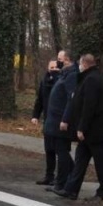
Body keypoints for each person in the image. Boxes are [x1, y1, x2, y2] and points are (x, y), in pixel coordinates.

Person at [56, 55, 103, 200]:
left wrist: (82, 128)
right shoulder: (91, 77)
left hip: (95, 130)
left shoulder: (92, 79)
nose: (79, 66)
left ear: (85, 64)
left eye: (80, 64)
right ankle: (71, 189)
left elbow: (89, 106)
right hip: (91, 129)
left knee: (100, 161)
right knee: (81, 159)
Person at [44, 52, 79, 192]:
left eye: (60, 60)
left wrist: (65, 119)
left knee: (62, 152)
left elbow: (71, 99)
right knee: (60, 150)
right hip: (54, 120)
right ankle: (71, 177)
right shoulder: (64, 74)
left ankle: (62, 182)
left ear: (68, 61)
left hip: (61, 120)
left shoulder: (71, 76)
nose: (58, 62)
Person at [29, 59, 64, 185]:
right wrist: (35, 116)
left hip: (58, 120)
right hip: (48, 119)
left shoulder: (61, 81)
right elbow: (39, 100)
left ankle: (61, 176)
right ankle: (49, 175)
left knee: (59, 150)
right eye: (51, 67)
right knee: (48, 149)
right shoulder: (44, 81)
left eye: (55, 67)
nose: (53, 69)